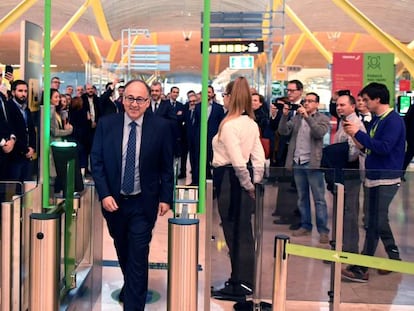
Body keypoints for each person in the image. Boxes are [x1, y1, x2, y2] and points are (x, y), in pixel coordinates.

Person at [91, 79, 173, 310]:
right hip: (114, 203)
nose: (134, 104)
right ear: (122, 99)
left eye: (140, 99)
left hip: (142, 202)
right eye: (129, 98)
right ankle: (132, 287)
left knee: (138, 253)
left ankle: (134, 303)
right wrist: (105, 194)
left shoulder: (161, 127)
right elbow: (96, 161)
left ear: (148, 102)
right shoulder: (107, 124)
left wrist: (166, 197)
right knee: (123, 249)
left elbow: (167, 167)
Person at [341, 82, 405, 282]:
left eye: (366, 100)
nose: (364, 103)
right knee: (376, 220)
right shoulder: (378, 120)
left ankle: (363, 266)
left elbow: (384, 147)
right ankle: (393, 257)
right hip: (373, 177)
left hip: (386, 179)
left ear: (378, 99)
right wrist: (357, 138)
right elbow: (371, 147)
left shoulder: (393, 121)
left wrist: (358, 134)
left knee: (373, 222)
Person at [211, 77, 265, 301]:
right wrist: (256, 181)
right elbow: (259, 157)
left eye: (225, 94)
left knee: (235, 232)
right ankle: (242, 279)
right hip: (241, 180)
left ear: (231, 97)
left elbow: (237, 161)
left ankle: (240, 282)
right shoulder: (250, 123)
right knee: (243, 231)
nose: (223, 98)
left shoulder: (230, 125)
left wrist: (247, 185)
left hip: (230, 180)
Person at [278, 92, 330, 243]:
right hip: (298, 161)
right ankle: (306, 225)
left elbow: (319, 133)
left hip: (313, 163)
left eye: (310, 101)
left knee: (319, 198)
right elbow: (283, 131)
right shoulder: (297, 118)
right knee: (302, 197)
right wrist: (284, 115)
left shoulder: (322, 119)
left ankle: (323, 230)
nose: (306, 103)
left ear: (317, 104)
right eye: (305, 101)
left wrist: (307, 117)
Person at [4, 80, 36, 192]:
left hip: (27, 155)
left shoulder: (26, 109)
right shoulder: (8, 107)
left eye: (25, 91)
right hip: (15, 155)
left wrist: (32, 147)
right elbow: (12, 131)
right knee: (12, 190)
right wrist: (25, 149)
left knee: (25, 189)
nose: (23, 94)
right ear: (13, 92)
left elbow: (31, 130)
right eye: (20, 91)